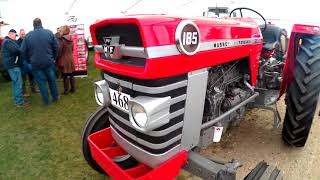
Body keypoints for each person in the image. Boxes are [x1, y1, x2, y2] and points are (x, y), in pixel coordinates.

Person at [21, 18, 59, 105]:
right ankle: (55, 98)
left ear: (33, 25)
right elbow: (56, 47)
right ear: (41, 24)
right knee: (52, 80)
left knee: (41, 83)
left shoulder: (28, 36)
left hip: (35, 63)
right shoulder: (49, 32)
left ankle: (47, 101)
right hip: (48, 62)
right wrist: (54, 57)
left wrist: (29, 60)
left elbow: (22, 51)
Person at [1, 29, 28, 107]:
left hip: (12, 65)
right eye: (15, 35)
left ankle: (19, 99)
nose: (16, 37)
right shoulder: (8, 41)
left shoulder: (7, 41)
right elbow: (16, 50)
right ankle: (19, 102)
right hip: (13, 65)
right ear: (11, 34)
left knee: (16, 83)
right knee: (18, 83)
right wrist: (22, 49)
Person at [17, 29, 38, 96]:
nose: (23, 35)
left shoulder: (28, 41)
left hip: (29, 61)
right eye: (22, 34)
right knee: (23, 78)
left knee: (32, 76)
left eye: (24, 34)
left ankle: (33, 89)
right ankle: (24, 92)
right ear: (19, 34)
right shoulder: (17, 42)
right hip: (22, 62)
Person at [56, 25, 76, 94]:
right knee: (71, 75)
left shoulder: (62, 39)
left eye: (61, 30)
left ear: (63, 31)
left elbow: (59, 51)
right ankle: (73, 89)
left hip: (64, 59)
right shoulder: (71, 38)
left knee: (65, 76)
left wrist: (57, 57)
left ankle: (66, 90)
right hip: (71, 58)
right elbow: (72, 49)